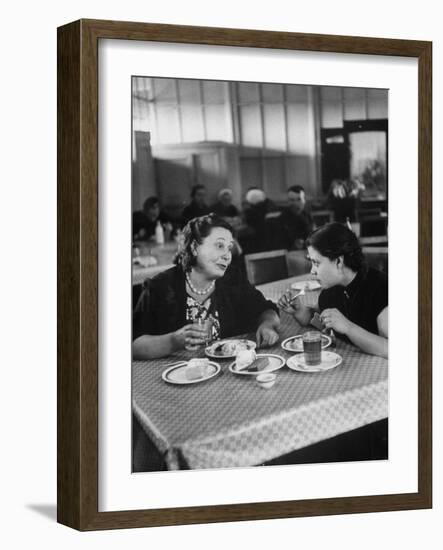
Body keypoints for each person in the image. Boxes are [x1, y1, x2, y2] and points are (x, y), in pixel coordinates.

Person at [133, 214, 280, 359]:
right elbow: (135, 346)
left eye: (229, 248)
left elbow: (267, 309)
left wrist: (267, 325)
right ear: (194, 247)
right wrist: (173, 341)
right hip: (178, 373)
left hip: (227, 373)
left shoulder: (233, 279)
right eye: (219, 246)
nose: (227, 256)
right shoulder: (159, 287)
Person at [278, 223, 388, 358]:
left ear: (338, 262)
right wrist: (303, 313)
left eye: (316, 263)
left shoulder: (381, 289)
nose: (312, 271)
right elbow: (327, 323)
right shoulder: (329, 292)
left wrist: (348, 327)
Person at [278, 185, 313, 250]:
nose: (295, 203)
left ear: (304, 200)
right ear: (288, 202)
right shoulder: (281, 220)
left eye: (299, 199)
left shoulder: (307, 216)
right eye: (292, 200)